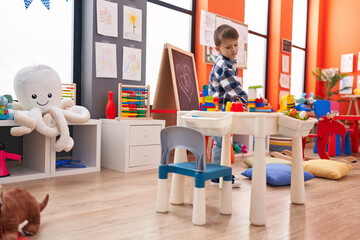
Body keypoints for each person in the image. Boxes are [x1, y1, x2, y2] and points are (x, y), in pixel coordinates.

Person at [208, 24, 248, 188]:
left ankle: (222, 173)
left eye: (236, 45)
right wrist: (245, 100)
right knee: (220, 142)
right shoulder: (223, 65)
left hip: (225, 108)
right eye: (228, 47)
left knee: (224, 141)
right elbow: (233, 88)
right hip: (218, 109)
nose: (233, 49)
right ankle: (217, 176)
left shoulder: (230, 60)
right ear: (218, 49)